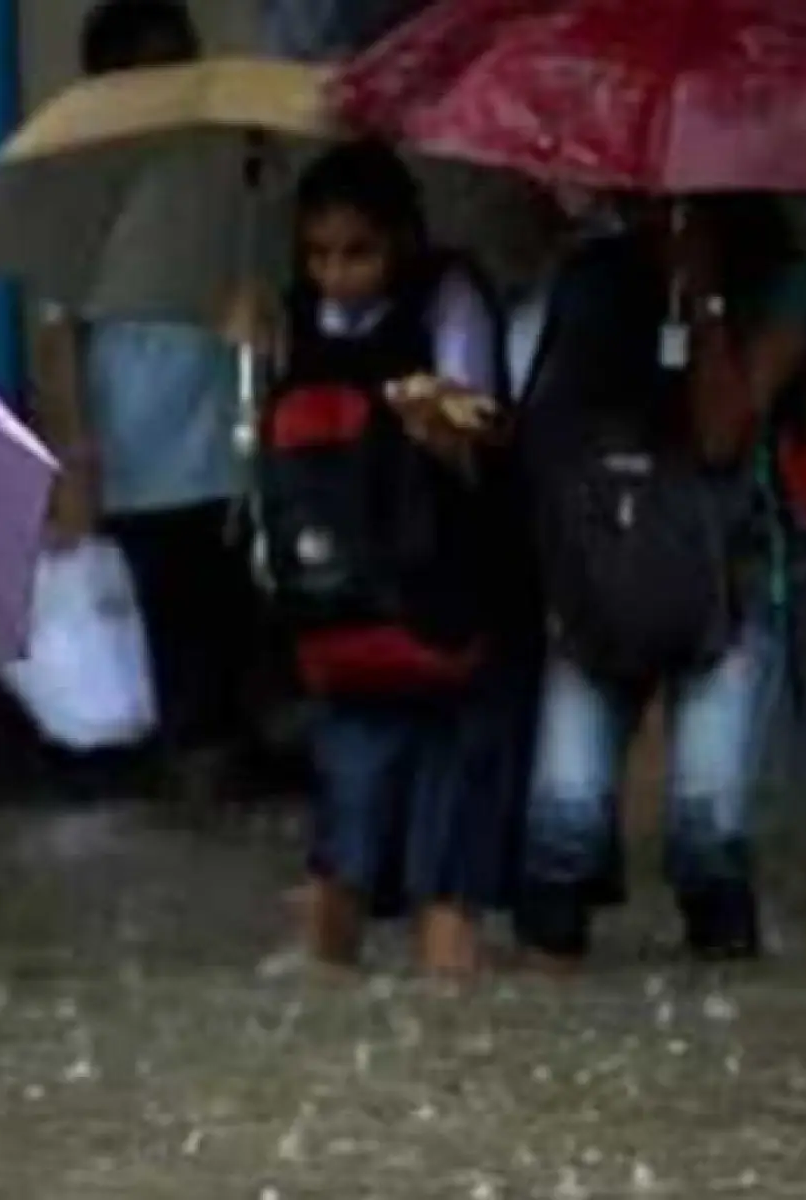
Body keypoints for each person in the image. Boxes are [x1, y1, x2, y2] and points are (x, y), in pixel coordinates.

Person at [511, 191, 806, 967]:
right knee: (563, 830)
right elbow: (543, 431)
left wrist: (704, 291)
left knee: (704, 834)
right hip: (600, 574)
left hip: (727, 580)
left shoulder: (779, 285)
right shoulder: (590, 278)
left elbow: (722, 433)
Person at [256, 141, 512, 977]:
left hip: (447, 611)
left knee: (449, 861)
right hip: (341, 621)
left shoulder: (451, 299)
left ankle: (447, 1037)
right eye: (319, 255)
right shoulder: (282, 318)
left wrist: (443, 424)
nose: (337, 276)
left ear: (399, 239)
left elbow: (486, 440)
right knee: (343, 845)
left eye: (357, 252)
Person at [34, 0, 276, 806]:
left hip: (223, 432)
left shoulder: (220, 170)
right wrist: (73, 456)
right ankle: (180, 764)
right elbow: (55, 334)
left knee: (228, 607)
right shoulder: (78, 190)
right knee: (162, 618)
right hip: (136, 441)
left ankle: (220, 761)